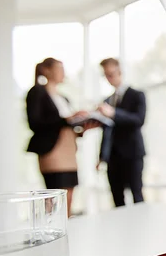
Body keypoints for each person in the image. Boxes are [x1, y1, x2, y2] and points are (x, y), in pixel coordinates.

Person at [26, 58, 96, 216]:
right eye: (60, 69)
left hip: (69, 150)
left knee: (70, 192)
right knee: (55, 193)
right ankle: (51, 230)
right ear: (47, 70)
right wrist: (67, 119)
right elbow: (35, 123)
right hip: (52, 150)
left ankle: (66, 228)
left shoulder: (64, 98)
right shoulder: (37, 92)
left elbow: (68, 125)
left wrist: (83, 127)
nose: (63, 73)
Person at [97, 58, 146, 207]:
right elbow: (106, 133)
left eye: (111, 74)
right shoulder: (107, 100)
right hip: (113, 156)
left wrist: (113, 113)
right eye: (106, 75)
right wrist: (101, 157)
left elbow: (138, 120)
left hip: (132, 154)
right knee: (117, 198)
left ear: (119, 72)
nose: (109, 78)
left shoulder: (137, 95)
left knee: (137, 195)